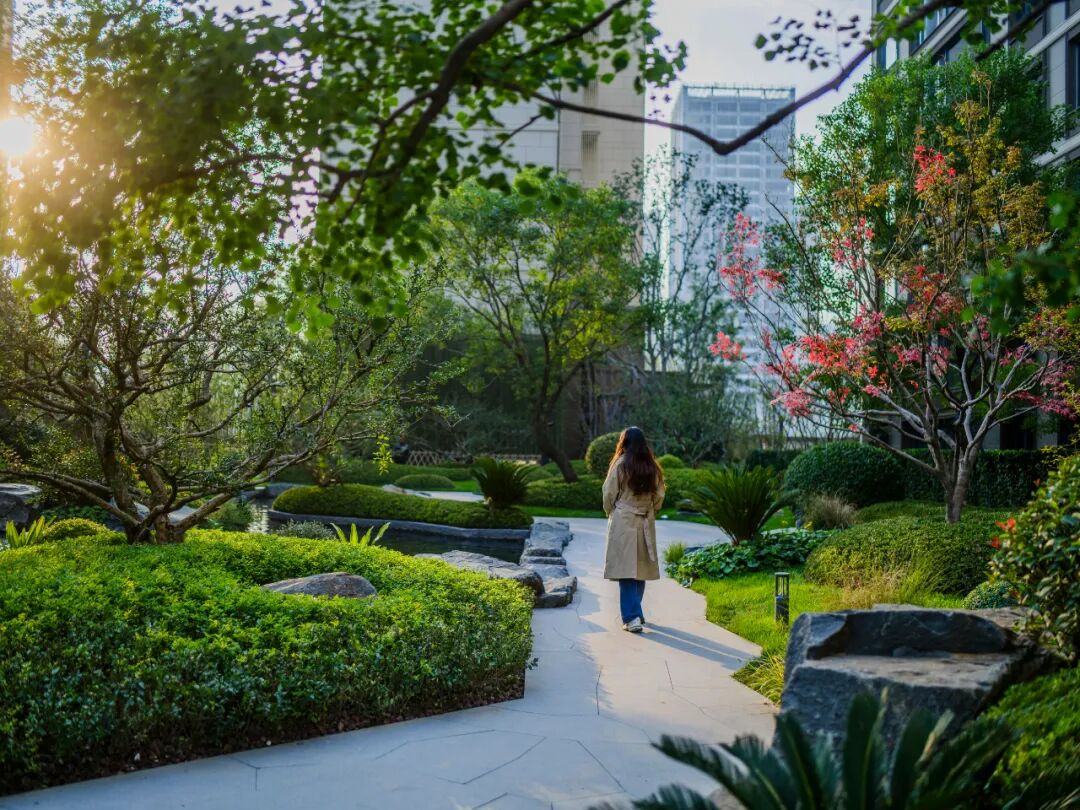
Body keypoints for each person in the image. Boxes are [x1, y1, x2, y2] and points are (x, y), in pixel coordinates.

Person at [602, 426, 665, 633]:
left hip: (624, 520)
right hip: (645, 519)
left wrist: (611, 512)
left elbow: (608, 493)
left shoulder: (621, 464)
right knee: (640, 568)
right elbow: (659, 497)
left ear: (624, 442)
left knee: (626, 570)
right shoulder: (652, 467)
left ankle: (631, 618)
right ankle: (636, 612)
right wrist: (649, 509)